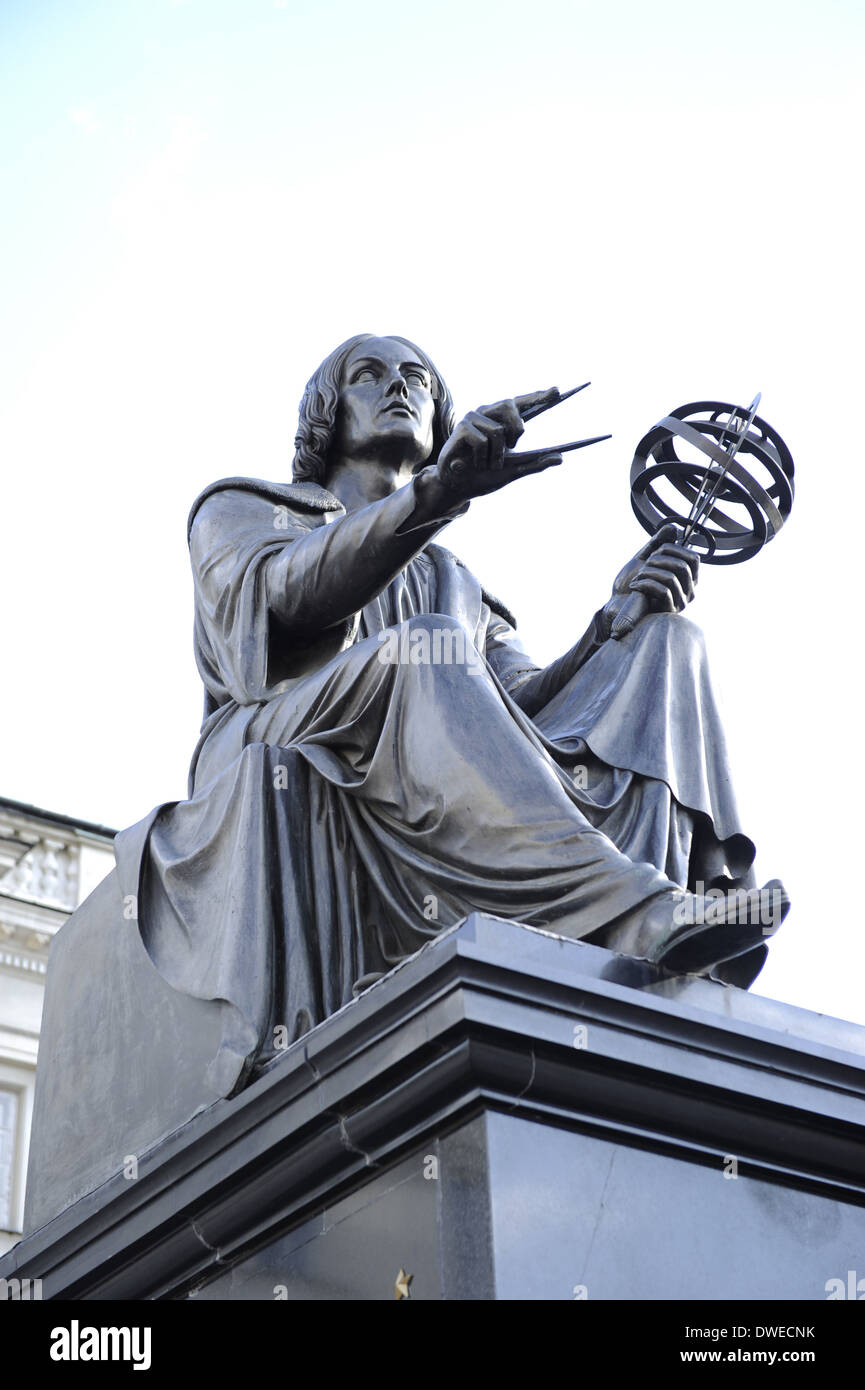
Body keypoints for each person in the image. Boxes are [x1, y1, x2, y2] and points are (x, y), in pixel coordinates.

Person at [115, 333, 787, 1095]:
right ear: (326, 415)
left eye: (417, 379)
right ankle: (631, 910)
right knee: (425, 650)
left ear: (441, 420)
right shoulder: (245, 507)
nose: (397, 387)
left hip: (425, 754)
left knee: (669, 639)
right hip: (283, 732)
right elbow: (288, 597)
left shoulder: (451, 577)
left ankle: (710, 892)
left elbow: (517, 708)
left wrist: (611, 623)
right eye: (368, 375)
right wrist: (434, 497)